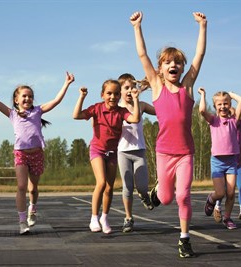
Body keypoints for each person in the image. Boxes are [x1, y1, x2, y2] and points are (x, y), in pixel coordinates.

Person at [129, 11, 207, 258]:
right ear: (161, 69)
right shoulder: (157, 86)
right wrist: (137, 27)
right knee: (165, 198)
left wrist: (202, 26)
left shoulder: (188, 87)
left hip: (185, 153)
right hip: (164, 153)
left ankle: (184, 239)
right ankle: (155, 192)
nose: (174, 65)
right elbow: (142, 55)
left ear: (183, 67)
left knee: (183, 195)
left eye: (178, 62)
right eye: (168, 62)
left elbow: (200, 55)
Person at [0, 70, 75, 234]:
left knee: (33, 189)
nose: (27, 99)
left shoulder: (38, 111)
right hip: (21, 153)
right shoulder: (12, 114)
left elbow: (56, 101)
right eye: (24, 96)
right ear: (16, 100)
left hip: (37, 154)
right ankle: (21, 222)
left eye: (30, 96)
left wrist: (66, 84)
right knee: (21, 186)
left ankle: (32, 209)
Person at [73, 79, 140, 234]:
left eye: (116, 94)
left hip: (112, 153)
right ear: (102, 95)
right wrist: (82, 97)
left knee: (109, 188)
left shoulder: (121, 111)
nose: (113, 97)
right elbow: (76, 115)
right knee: (101, 182)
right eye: (109, 93)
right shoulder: (96, 108)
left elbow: (135, 119)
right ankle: (94, 218)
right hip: (97, 150)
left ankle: (104, 217)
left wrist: (136, 100)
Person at [198, 88, 241, 230]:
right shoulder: (213, 120)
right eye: (219, 104)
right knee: (220, 193)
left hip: (231, 162)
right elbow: (201, 111)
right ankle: (211, 200)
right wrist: (203, 95)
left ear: (230, 105)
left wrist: (230, 94)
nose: (223, 106)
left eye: (226, 103)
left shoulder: (234, 120)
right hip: (217, 162)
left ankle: (227, 218)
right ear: (215, 106)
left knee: (231, 193)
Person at [117, 73, 156, 233]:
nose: (130, 90)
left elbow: (160, 111)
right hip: (122, 152)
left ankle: (145, 196)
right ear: (119, 91)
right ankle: (128, 218)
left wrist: (153, 85)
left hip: (139, 151)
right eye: (126, 87)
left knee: (141, 187)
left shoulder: (141, 105)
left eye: (133, 87)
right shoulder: (117, 108)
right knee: (127, 186)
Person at [213, 92, 241, 223]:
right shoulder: (222, 123)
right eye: (230, 112)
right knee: (224, 190)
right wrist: (227, 97)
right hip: (224, 161)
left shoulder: (238, 124)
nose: (232, 113)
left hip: (237, 162)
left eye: (233, 111)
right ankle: (217, 207)